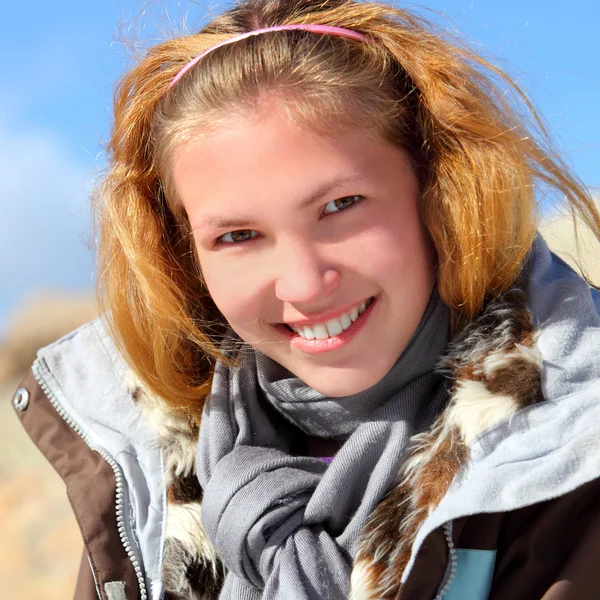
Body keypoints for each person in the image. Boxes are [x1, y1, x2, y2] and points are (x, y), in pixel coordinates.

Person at [12, 0, 600, 598]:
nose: (303, 284)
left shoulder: (569, 454)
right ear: (182, 256)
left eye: (340, 206)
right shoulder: (147, 465)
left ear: (439, 191)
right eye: (237, 236)